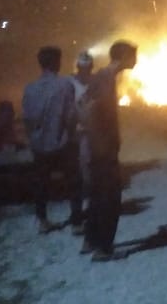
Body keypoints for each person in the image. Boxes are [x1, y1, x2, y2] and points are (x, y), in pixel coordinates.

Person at [81, 40, 137, 262]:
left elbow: (84, 103)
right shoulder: (106, 81)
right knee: (111, 199)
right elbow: (95, 110)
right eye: (133, 56)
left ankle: (90, 241)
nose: (136, 61)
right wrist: (104, 142)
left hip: (97, 149)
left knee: (97, 196)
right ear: (122, 57)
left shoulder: (102, 77)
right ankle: (103, 249)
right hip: (104, 150)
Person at [21, 46, 83, 234]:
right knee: (74, 181)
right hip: (62, 141)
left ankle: (42, 221)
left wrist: (33, 137)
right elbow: (71, 115)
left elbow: (27, 118)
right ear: (57, 62)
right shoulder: (65, 85)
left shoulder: (30, 88)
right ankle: (77, 222)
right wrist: (72, 134)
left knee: (41, 183)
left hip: (40, 144)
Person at [68, 51, 95, 214]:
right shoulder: (69, 83)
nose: (85, 70)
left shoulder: (95, 82)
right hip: (75, 133)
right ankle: (78, 209)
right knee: (77, 172)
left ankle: (90, 202)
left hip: (92, 133)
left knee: (90, 170)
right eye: (83, 67)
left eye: (88, 67)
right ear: (78, 67)